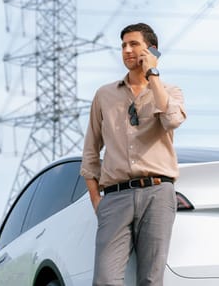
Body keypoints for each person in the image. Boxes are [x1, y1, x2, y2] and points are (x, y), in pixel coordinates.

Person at [81, 23, 187, 286]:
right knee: (105, 279)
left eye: (134, 44)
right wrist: (97, 200)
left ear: (151, 50)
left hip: (158, 193)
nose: (127, 51)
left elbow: (172, 120)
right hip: (115, 198)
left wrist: (153, 74)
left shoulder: (170, 92)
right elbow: (90, 151)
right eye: (123, 46)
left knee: (151, 280)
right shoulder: (104, 95)